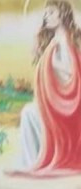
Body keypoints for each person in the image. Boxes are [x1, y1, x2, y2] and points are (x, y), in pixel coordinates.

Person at [15, 0, 81, 174]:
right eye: (45, 13)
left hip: (67, 108)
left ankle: (32, 164)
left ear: (62, 14)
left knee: (28, 114)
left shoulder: (65, 40)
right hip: (57, 104)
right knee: (29, 113)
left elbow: (72, 73)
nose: (46, 16)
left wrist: (52, 62)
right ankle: (32, 162)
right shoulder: (56, 40)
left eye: (51, 12)